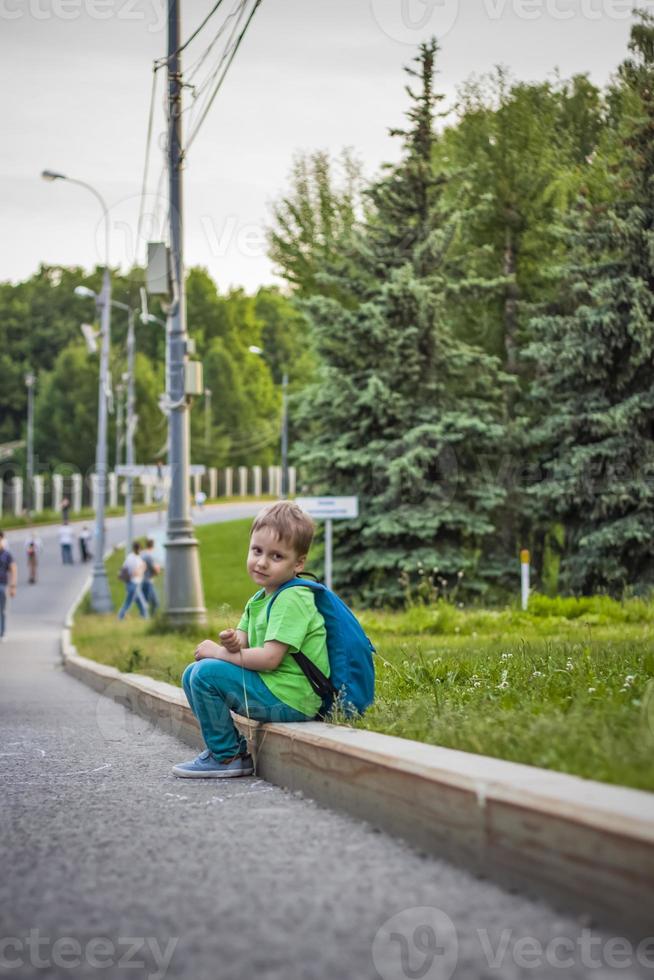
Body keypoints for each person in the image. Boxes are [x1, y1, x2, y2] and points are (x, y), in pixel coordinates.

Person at [173, 501, 329, 779]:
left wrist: (219, 654)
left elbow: (270, 659)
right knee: (192, 673)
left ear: (299, 563)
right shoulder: (260, 598)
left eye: (276, 556)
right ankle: (228, 751)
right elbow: (243, 644)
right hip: (275, 691)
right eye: (257, 551)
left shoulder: (292, 598)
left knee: (205, 673)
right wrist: (232, 642)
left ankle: (228, 757)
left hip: (293, 699)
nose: (262, 562)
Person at [117, 541, 148, 620]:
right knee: (128, 603)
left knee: (141, 603)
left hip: (129, 583)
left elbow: (124, 568)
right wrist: (143, 567)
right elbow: (136, 573)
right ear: (139, 549)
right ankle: (120, 617)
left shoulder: (129, 557)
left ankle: (144, 617)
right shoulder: (137, 559)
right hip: (134, 584)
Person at [0, 530, 17, 642]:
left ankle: (2, 632)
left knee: (1, 609)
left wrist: (13, 586)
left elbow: (13, 569)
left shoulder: (7, 554)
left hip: (2, 584)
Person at [141, 538, 160, 614]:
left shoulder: (142, 554)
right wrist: (157, 569)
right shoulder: (149, 556)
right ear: (153, 546)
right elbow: (155, 570)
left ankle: (144, 617)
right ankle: (151, 618)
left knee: (145, 602)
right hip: (148, 582)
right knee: (155, 603)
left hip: (141, 581)